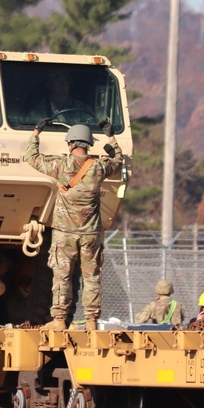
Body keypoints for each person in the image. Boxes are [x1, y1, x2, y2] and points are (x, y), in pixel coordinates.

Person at [25, 118, 124, 331]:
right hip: (90, 234)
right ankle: (91, 321)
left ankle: (59, 320)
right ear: (88, 144)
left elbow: (31, 158)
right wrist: (111, 137)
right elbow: (118, 161)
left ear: (70, 143)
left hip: (64, 234)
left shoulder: (60, 165)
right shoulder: (98, 168)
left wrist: (36, 133)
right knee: (91, 277)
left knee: (62, 276)